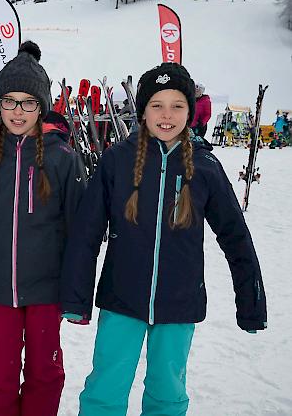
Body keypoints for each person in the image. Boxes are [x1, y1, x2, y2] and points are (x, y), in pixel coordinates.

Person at [61, 62, 267, 416]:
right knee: (105, 388)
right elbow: (86, 234)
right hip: (121, 298)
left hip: (179, 301)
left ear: (191, 110)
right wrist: (76, 298)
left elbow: (236, 237)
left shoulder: (205, 168)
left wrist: (251, 301)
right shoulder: (116, 161)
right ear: (143, 111)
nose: (167, 115)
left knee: (167, 393)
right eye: (157, 105)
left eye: (177, 105)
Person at [0, 41, 86, 416]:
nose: (17, 111)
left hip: (47, 292)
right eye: (9, 101)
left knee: (45, 373)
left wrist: (75, 294)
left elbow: (78, 234)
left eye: (28, 102)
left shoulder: (63, 160)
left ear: (41, 106)